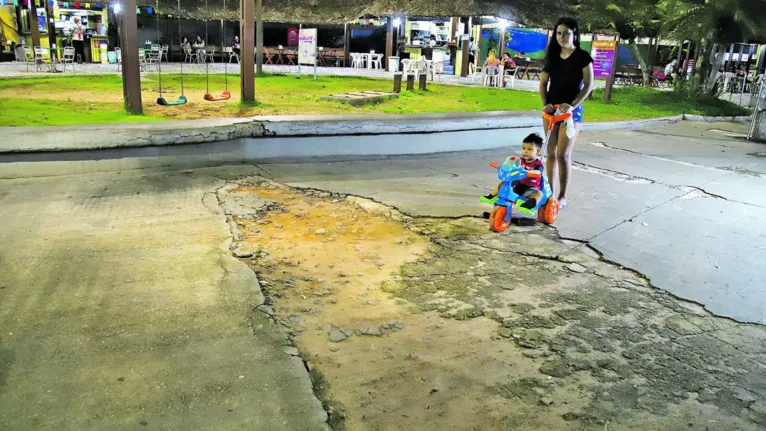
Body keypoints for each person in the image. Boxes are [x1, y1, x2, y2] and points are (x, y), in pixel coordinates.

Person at [539, 17, 594, 209]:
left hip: (572, 112)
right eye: (559, 33)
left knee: (563, 154)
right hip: (551, 111)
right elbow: (543, 84)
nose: (562, 37)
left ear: (575, 34)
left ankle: (562, 196)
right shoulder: (552, 57)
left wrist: (572, 105)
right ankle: (550, 194)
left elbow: (588, 85)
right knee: (550, 152)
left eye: (567, 33)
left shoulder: (583, 57)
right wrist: (545, 104)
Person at [482, 133, 546, 216]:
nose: (525, 151)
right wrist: (503, 168)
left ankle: (529, 205)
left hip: (531, 187)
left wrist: (528, 172)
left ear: (537, 151)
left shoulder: (538, 164)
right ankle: (491, 197)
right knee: (503, 184)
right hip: (518, 184)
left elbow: (538, 172)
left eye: (529, 149)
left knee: (539, 194)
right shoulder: (519, 160)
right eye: (523, 148)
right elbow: (510, 167)